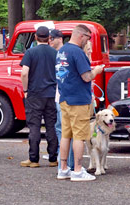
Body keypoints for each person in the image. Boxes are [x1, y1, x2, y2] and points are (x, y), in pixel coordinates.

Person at [55, 24, 104, 181]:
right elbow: (86, 77)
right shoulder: (77, 52)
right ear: (82, 36)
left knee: (65, 135)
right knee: (79, 136)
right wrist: (96, 71)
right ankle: (77, 170)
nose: (88, 41)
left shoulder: (62, 51)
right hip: (78, 100)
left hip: (64, 98)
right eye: (88, 38)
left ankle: (63, 169)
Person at [20, 26, 59, 168]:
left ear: (35, 37)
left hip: (35, 94)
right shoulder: (55, 53)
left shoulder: (30, 52)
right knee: (51, 126)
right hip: (51, 94)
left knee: (34, 126)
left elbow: (24, 73)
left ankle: (34, 159)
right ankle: (53, 158)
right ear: (49, 38)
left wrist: (26, 90)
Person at [49, 29, 75, 172]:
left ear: (60, 38)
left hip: (64, 97)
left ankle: (66, 164)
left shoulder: (63, 53)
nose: (50, 41)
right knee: (62, 130)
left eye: (52, 38)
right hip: (59, 96)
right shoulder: (58, 54)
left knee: (65, 132)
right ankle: (65, 163)